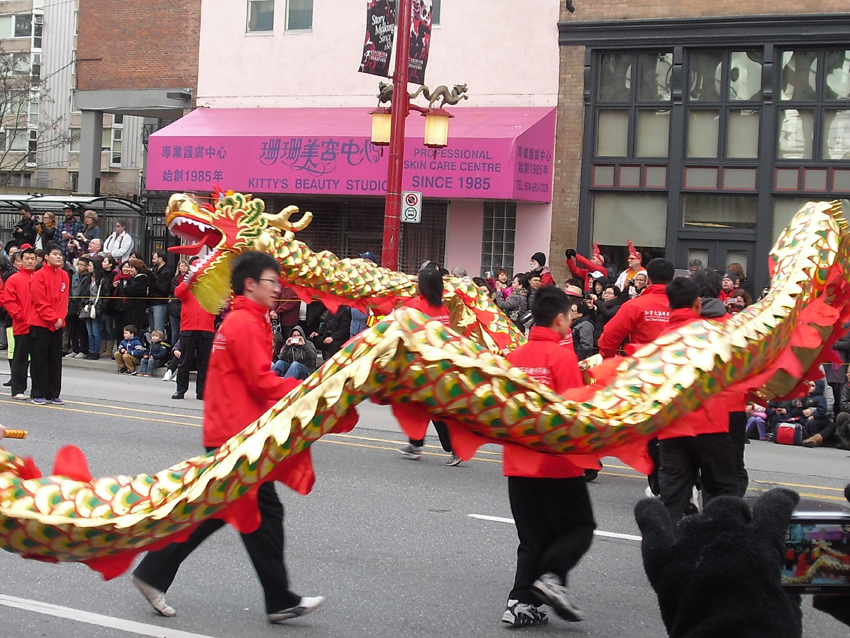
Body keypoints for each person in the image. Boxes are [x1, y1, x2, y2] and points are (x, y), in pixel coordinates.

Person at [132, 251, 325, 623]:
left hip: (232, 432)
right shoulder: (244, 323)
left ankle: (154, 573)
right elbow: (260, 380)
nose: (277, 288)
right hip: (235, 437)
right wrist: (306, 390)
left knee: (229, 511)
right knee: (255, 513)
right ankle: (278, 599)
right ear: (250, 284)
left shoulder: (244, 318)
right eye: (271, 282)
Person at [501, 286, 596, 627]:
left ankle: (520, 602)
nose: (570, 322)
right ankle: (552, 576)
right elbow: (572, 411)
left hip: (518, 459)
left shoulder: (514, 358)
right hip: (556, 462)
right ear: (559, 319)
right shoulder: (562, 358)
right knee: (580, 526)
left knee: (532, 536)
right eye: (569, 317)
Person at [655, 277, 743, 524]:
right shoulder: (713, 334)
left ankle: (663, 544)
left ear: (669, 305)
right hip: (711, 426)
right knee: (722, 493)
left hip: (672, 429)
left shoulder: (661, 340)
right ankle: (717, 542)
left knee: (672, 498)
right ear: (697, 303)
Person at [397, 268, 461, 466]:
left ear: (423, 286)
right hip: (441, 363)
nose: (415, 285)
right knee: (420, 407)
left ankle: (455, 448)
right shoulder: (442, 309)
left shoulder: (418, 308)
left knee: (433, 410)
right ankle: (415, 443)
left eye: (418, 282)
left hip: (424, 366)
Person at [597, 258, 673, 358]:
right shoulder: (685, 306)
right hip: (677, 364)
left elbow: (608, 338)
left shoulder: (634, 305)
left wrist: (610, 359)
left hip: (642, 363)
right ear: (672, 279)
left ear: (647, 280)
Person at [29, 242, 69, 405]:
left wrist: (60, 319)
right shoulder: (39, 275)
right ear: (46, 257)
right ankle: (38, 392)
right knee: (39, 359)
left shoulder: (64, 275)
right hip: (41, 323)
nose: (59, 257)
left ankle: (53, 393)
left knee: (55, 359)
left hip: (57, 323)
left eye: (60, 254)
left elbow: (63, 301)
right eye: (55, 254)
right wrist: (53, 318)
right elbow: (40, 301)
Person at [172, 276, 216, 400]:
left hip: (206, 328)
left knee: (204, 363)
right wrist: (188, 280)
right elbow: (178, 292)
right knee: (184, 362)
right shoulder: (188, 289)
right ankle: (180, 390)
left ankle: (202, 391)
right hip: (188, 328)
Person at [4, 247, 36, 399]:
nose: (30, 261)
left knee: (38, 359)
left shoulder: (39, 277)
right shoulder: (14, 279)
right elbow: (9, 301)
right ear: (20, 261)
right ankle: (18, 389)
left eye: (32, 259)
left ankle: (38, 390)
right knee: (20, 358)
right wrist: (21, 316)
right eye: (27, 259)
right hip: (22, 324)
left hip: (39, 325)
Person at [83, 258, 110, 360]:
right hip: (87, 306)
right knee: (89, 332)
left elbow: (106, 295)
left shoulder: (103, 280)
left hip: (97, 307)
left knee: (95, 331)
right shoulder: (87, 279)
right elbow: (84, 292)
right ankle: (91, 350)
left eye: (90, 265)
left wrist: (101, 305)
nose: (88, 267)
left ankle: (96, 351)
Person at [65, 255, 91, 359]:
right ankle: (75, 349)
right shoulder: (74, 276)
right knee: (72, 329)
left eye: (82, 265)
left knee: (82, 329)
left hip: (82, 304)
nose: (79, 267)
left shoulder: (88, 277)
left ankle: (83, 350)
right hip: (73, 304)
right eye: (78, 264)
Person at [123, 259, 150, 341]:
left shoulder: (142, 278)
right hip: (130, 305)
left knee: (136, 327)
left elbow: (133, 290)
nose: (129, 269)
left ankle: (137, 343)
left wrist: (128, 289)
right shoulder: (131, 278)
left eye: (132, 267)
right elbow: (126, 290)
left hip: (138, 306)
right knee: (129, 326)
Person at [148, 251, 173, 335]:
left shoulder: (167, 271)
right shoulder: (155, 270)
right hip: (152, 301)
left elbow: (164, 288)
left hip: (160, 302)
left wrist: (155, 277)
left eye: (154, 258)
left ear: (160, 259)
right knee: (152, 329)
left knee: (158, 329)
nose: (152, 261)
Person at [167, 260, 189, 344]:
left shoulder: (190, 279)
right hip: (174, 306)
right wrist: (170, 299)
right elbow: (170, 291)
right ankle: (174, 349)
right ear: (179, 268)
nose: (184, 267)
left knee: (183, 331)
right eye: (182, 266)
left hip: (185, 306)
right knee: (174, 331)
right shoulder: (174, 279)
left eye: (185, 266)